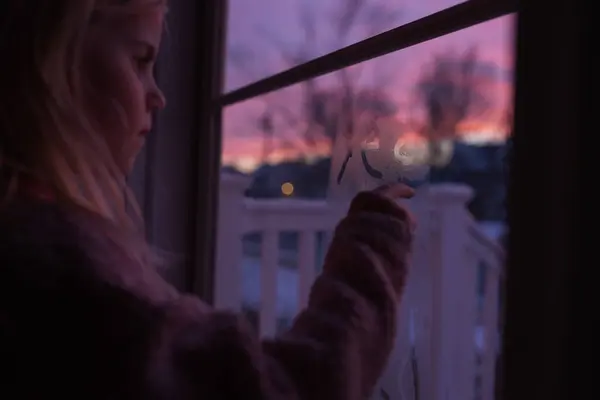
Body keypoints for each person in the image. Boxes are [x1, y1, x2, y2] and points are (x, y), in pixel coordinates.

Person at [0, 1, 416, 399]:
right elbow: (290, 388)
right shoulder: (67, 271)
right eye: (141, 60)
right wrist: (372, 247)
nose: (158, 96)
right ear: (53, 57)